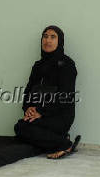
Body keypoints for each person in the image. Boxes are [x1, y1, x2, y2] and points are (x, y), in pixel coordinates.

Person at [14, 25, 81, 159]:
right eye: (45, 36)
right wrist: (29, 108)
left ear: (60, 41)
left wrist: (40, 111)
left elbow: (65, 96)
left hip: (59, 116)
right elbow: (28, 91)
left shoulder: (67, 64)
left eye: (52, 37)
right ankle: (58, 139)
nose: (48, 41)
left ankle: (64, 144)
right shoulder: (38, 66)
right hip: (40, 115)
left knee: (24, 128)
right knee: (20, 127)